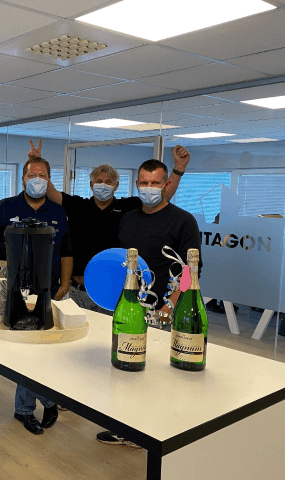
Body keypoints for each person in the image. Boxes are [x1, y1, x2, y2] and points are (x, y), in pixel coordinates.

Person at [95, 158, 202, 449]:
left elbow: (190, 269)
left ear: (166, 184)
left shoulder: (183, 220)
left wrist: (171, 304)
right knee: (126, 370)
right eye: (143, 182)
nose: (149, 188)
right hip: (131, 308)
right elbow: (122, 263)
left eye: (155, 183)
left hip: (163, 311)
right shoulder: (128, 218)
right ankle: (124, 428)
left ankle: (156, 435)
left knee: (157, 376)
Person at [28, 139, 191, 314]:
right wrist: (37, 163)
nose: (103, 185)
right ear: (91, 185)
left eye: (108, 181)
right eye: (99, 181)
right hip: (78, 291)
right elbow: (51, 193)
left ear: (116, 186)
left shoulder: (129, 208)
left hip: (112, 291)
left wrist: (178, 169)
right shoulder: (78, 206)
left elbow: (162, 195)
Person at [0, 156, 73, 435]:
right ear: (23, 179)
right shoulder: (5, 207)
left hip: (49, 290)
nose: (37, 180)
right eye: (32, 176)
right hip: (13, 289)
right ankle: (43, 402)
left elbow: (67, 250)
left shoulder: (58, 211)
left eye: (42, 176)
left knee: (45, 350)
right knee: (24, 351)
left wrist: (64, 284)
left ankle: (31, 407)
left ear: (49, 179)